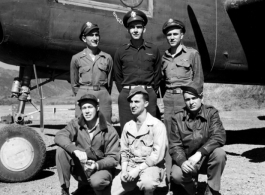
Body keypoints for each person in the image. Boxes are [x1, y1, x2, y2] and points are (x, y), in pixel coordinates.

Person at [54, 94, 120, 195]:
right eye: (84, 108)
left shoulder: (109, 130)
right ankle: (65, 190)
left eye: (90, 107)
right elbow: (60, 136)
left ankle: (97, 188)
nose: (87, 111)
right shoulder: (75, 124)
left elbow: (114, 158)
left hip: (99, 169)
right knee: (61, 150)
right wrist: (74, 149)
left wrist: (97, 165)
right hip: (82, 168)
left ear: (97, 108)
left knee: (96, 182)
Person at [169, 82, 226, 195]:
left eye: (194, 98)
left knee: (219, 154)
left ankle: (211, 190)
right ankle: (191, 190)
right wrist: (182, 161)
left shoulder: (211, 113)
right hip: (187, 160)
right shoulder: (177, 117)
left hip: (205, 159)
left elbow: (218, 136)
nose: (191, 102)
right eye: (187, 99)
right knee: (176, 175)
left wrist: (200, 153)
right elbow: (175, 145)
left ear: (201, 97)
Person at [111, 86, 168, 195]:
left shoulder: (157, 125)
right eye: (131, 102)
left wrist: (136, 171)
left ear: (146, 103)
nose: (133, 105)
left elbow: (156, 156)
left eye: (137, 101)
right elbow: (124, 152)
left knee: (147, 183)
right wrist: (124, 171)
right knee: (113, 192)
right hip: (131, 166)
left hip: (151, 167)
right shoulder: (128, 126)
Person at [113, 9, 162, 131]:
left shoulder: (153, 50)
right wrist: (126, 91)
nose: (135, 30)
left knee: (149, 130)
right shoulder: (121, 51)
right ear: (128, 30)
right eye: (132, 27)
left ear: (144, 29)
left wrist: (151, 91)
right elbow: (117, 76)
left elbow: (157, 74)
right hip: (127, 95)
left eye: (139, 27)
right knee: (127, 130)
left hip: (148, 94)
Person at [70, 21, 113, 123]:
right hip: (84, 94)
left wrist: (103, 93)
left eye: (96, 35)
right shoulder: (76, 58)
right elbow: (74, 83)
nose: (95, 38)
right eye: (91, 35)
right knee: (82, 127)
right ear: (84, 38)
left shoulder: (107, 58)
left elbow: (110, 83)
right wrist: (83, 93)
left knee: (105, 126)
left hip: (102, 95)